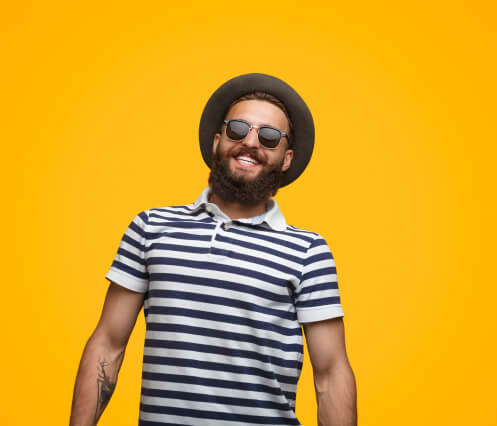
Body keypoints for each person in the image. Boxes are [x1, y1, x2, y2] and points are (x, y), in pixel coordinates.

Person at [70, 73, 357, 426]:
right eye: (238, 129)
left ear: (286, 158)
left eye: (269, 136)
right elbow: (107, 344)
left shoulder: (308, 251)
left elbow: (330, 375)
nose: (250, 142)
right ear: (217, 140)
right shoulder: (151, 228)